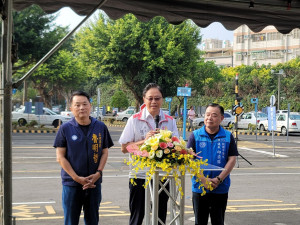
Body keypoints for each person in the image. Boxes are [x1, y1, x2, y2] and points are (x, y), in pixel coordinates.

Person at [119, 83, 179, 225]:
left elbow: (177, 146)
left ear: (162, 99)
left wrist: (166, 141)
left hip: (163, 175)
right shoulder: (134, 119)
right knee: (137, 216)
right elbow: (124, 148)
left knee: (160, 216)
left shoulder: (170, 121)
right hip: (139, 175)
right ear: (143, 99)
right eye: (150, 98)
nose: (154, 102)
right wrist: (144, 141)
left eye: (157, 98)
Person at [54, 91, 114, 225]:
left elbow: (104, 152)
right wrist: (76, 178)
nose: (81, 108)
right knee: (70, 221)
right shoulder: (65, 129)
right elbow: (60, 157)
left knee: (93, 220)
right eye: (77, 105)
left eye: (84, 104)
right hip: (72, 184)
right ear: (71, 108)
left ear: (90, 106)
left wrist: (98, 173)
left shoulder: (100, 127)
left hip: (94, 183)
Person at [187, 103, 238, 225]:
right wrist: (203, 179)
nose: (209, 118)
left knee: (218, 221)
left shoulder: (227, 136)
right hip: (199, 187)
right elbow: (189, 160)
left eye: (214, 115)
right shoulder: (195, 135)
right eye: (207, 114)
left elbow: (232, 159)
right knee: (200, 221)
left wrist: (219, 179)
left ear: (221, 118)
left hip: (220, 187)